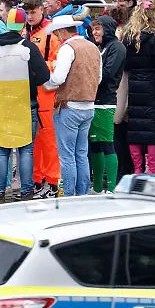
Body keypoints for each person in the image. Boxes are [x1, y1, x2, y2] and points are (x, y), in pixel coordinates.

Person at [0, 7, 51, 203]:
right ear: (22, 26)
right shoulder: (28, 47)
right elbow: (44, 76)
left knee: (2, 150)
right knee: (25, 149)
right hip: (26, 104)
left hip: (0, 103)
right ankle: (27, 192)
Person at [44, 14, 101, 196]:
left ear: (61, 32)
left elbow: (58, 78)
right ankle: (82, 194)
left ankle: (69, 194)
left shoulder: (67, 49)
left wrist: (46, 82)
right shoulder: (93, 47)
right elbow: (98, 78)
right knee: (81, 154)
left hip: (69, 107)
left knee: (67, 155)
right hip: (88, 107)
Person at [120, 0, 155, 175]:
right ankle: (152, 170)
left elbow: (125, 65)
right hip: (154, 87)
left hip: (134, 86)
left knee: (135, 129)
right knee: (152, 131)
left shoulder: (128, 38)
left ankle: (138, 169)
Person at [21, 0, 62, 199]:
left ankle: (52, 183)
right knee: (33, 140)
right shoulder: (24, 32)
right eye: (27, 13)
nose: (29, 16)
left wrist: (39, 68)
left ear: (41, 10)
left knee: (48, 140)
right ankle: (37, 181)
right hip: (28, 92)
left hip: (45, 93)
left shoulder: (51, 34)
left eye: (33, 12)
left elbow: (57, 64)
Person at [88, 15, 125, 192]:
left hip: (106, 101)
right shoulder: (99, 47)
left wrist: (88, 76)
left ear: (108, 29)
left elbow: (108, 73)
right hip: (93, 100)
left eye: (98, 28)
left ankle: (111, 188)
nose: (94, 32)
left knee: (107, 143)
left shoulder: (116, 47)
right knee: (95, 144)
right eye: (93, 28)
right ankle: (96, 187)